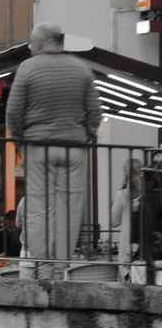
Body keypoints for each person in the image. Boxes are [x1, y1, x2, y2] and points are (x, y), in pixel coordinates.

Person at [5, 24, 102, 279]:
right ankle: (61, 269)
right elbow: (95, 113)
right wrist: (87, 136)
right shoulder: (82, 69)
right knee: (69, 208)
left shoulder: (28, 68)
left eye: (31, 42)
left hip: (39, 147)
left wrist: (20, 141)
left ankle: (44, 269)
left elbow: (14, 111)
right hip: (74, 149)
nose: (29, 46)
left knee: (39, 207)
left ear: (43, 43)